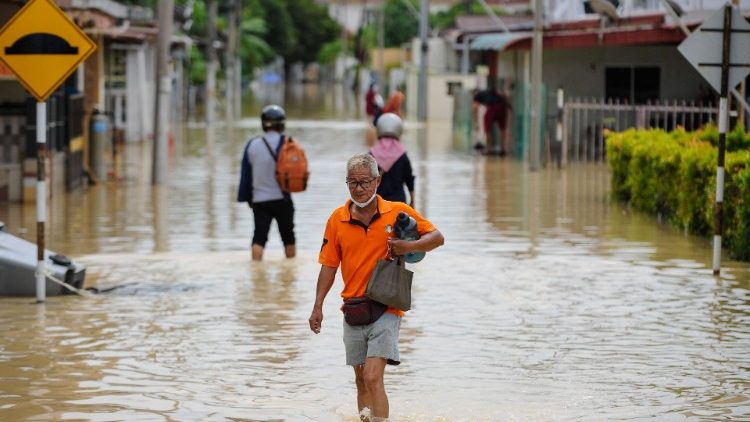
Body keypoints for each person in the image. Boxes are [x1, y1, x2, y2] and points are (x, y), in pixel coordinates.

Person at [309, 153, 444, 421]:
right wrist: (317, 307)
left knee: (373, 376)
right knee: (360, 380)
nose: (359, 189)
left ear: (378, 181)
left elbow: (437, 237)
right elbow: (328, 266)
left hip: (387, 307)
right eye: (352, 183)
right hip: (353, 308)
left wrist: (410, 246)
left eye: (365, 182)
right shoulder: (337, 219)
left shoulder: (397, 212)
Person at [237, 104, 296, 261]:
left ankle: (256, 272)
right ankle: (290, 277)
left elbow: (245, 177)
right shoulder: (289, 143)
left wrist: (248, 199)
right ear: (282, 123)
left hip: (260, 200)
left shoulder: (252, 145)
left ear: (263, 123)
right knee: (288, 237)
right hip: (283, 199)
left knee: (259, 237)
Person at [370, 113, 415, 207]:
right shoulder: (402, 155)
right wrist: (412, 201)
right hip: (398, 203)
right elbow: (410, 180)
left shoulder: (372, 154)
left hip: (377, 203)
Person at [473, 79, 512, 156]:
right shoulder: (489, 91)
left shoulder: (477, 96)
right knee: (503, 129)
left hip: (492, 108)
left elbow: (474, 109)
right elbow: (502, 95)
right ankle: (503, 149)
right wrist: (509, 107)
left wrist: (476, 123)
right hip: (502, 107)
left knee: (487, 129)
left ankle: (489, 149)